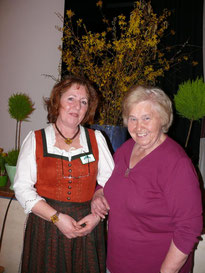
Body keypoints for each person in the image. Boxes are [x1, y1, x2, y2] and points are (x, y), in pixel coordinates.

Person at [91, 85, 203, 273]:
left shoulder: (176, 164)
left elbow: (188, 228)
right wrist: (98, 194)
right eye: (133, 119)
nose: (138, 127)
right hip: (115, 264)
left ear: (163, 119)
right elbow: (107, 181)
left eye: (146, 118)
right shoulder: (126, 149)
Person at [13, 75, 114, 273]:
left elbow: (112, 183)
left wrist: (97, 215)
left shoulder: (96, 139)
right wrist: (57, 218)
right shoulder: (36, 139)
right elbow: (22, 188)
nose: (77, 106)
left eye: (83, 102)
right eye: (71, 99)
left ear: (88, 109)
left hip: (87, 227)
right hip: (46, 227)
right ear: (57, 101)